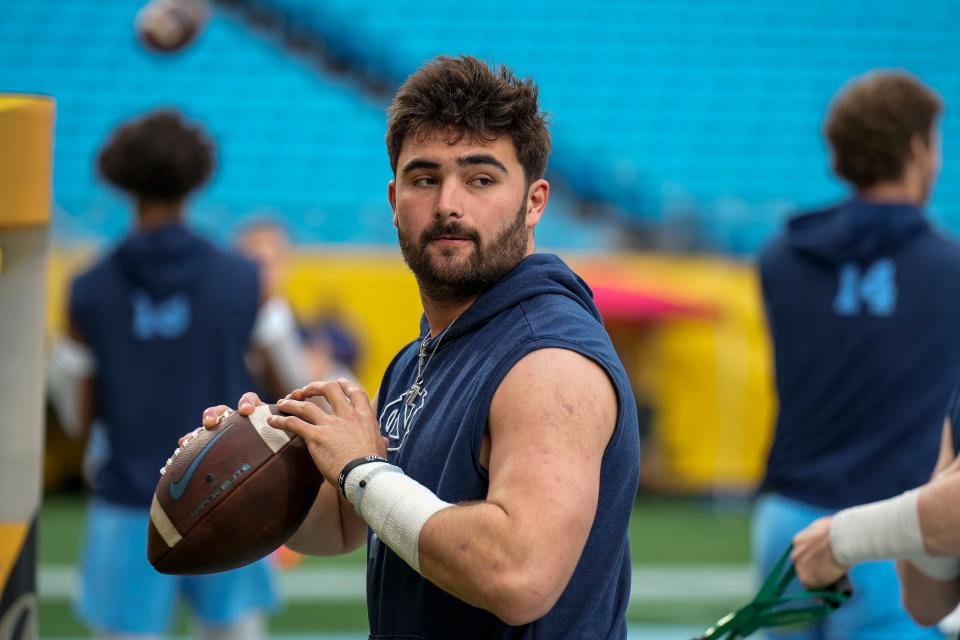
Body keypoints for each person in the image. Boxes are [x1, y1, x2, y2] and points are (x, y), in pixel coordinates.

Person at [201, 55, 641, 638]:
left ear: (534, 201)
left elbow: (519, 575)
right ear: (393, 199)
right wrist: (255, 465)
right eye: (424, 178)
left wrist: (360, 469)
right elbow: (346, 526)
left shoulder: (549, 361)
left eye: (481, 178)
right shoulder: (422, 355)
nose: (447, 205)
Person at [49, 110, 279, 639]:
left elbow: (78, 413)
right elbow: (284, 377)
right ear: (197, 177)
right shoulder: (245, 278)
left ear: (121, 179)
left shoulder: (87, 289)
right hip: (231, 493)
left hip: (129, 496)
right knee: (235, 632)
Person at [753, 71, 960, 639]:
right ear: (917, 147)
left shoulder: (778, 259)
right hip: (895, 532)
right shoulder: (951, 269)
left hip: (787, 521)